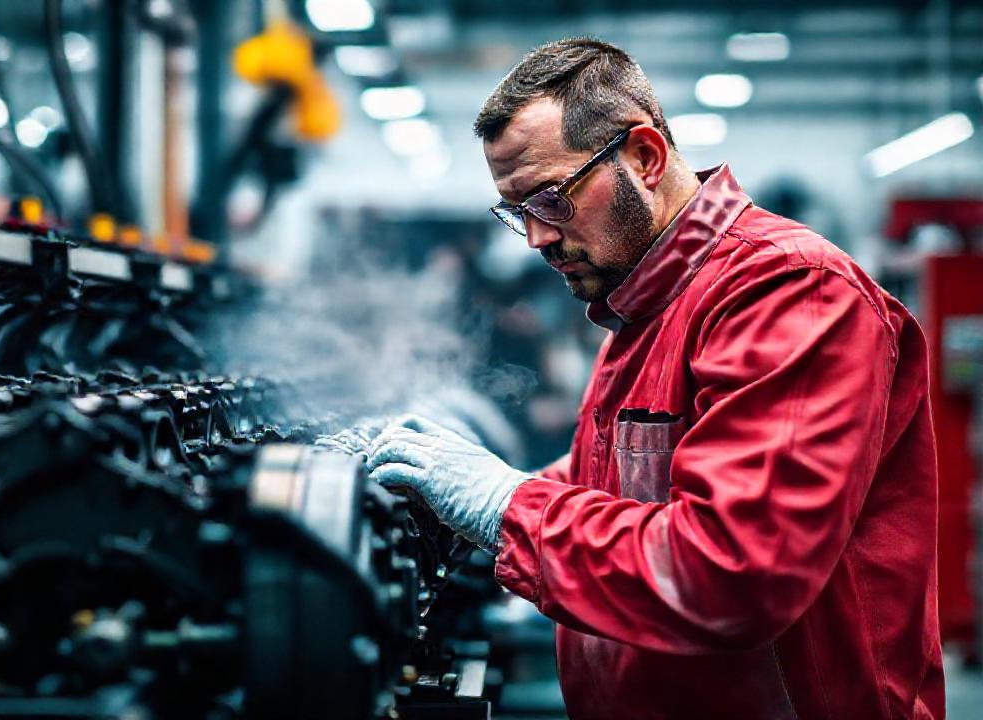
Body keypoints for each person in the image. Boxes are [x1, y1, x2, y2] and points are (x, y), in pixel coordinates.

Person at [364, 38, 944, 719]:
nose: (535, 238)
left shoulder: (791, 293)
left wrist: (508, 506)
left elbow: (736, 571)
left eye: (550, 199)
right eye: (517, 211)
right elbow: (626, 484)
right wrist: (453, 490)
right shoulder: (643, 302)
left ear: (644, 158)